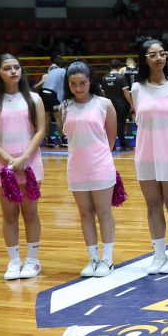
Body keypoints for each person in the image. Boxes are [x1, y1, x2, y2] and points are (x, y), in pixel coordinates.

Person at [0, 54, 47, 280]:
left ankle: (33, 261)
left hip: (30, 164)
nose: (14, 71)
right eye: (7, 68)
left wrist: (24, 158)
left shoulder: (34, 98)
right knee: (9, 214)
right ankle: (14, 261)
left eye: (16, 67)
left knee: (30, 212)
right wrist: (9, 159)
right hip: (2, 166)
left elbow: (40, 130)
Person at [124, 39, 168, 275]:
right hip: (146, 153)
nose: (159, 58)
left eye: (162, 53)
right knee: (152, 204)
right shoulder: (136, 89)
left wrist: (167, 138)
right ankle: (159, 253)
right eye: (153, 55)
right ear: (144, 59)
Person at [61, 60, 119, 278]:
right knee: (85, 213)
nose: (78, 88)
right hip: (76, 167)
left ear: (90, 81)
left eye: (82, 83)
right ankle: (93, 258)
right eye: (73, 84)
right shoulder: (65, 106)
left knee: (104, 212)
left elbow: (111, 138)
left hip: (100, 165)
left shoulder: (104, 104)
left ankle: (108, 259)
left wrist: (101, 157)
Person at [101, 59, 132, 150]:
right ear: (119, 67)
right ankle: (123, 145)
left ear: (110, 67)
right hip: (121, 105)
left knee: (109, 125)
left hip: (108, 105)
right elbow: (125, 92)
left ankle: (112, 145)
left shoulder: (104, 78)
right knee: (120, 124)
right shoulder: (121, 77)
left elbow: (103, 93)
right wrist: (131, 104)